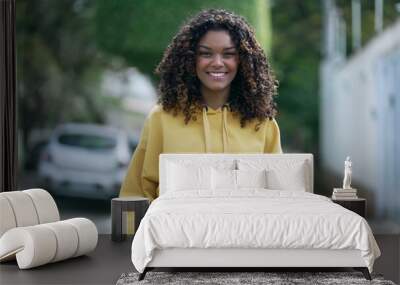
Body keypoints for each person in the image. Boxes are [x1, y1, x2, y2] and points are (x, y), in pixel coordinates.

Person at [119, 9, 282, 201]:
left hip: (243, 230)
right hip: (174, 230)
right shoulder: (161, 118)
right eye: (206, 54)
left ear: (242, 60)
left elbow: (278, 194)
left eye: (228, 54)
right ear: (191, 59)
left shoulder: (262, 123)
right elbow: (136, 192)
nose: (217, 63)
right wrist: (130, 230)